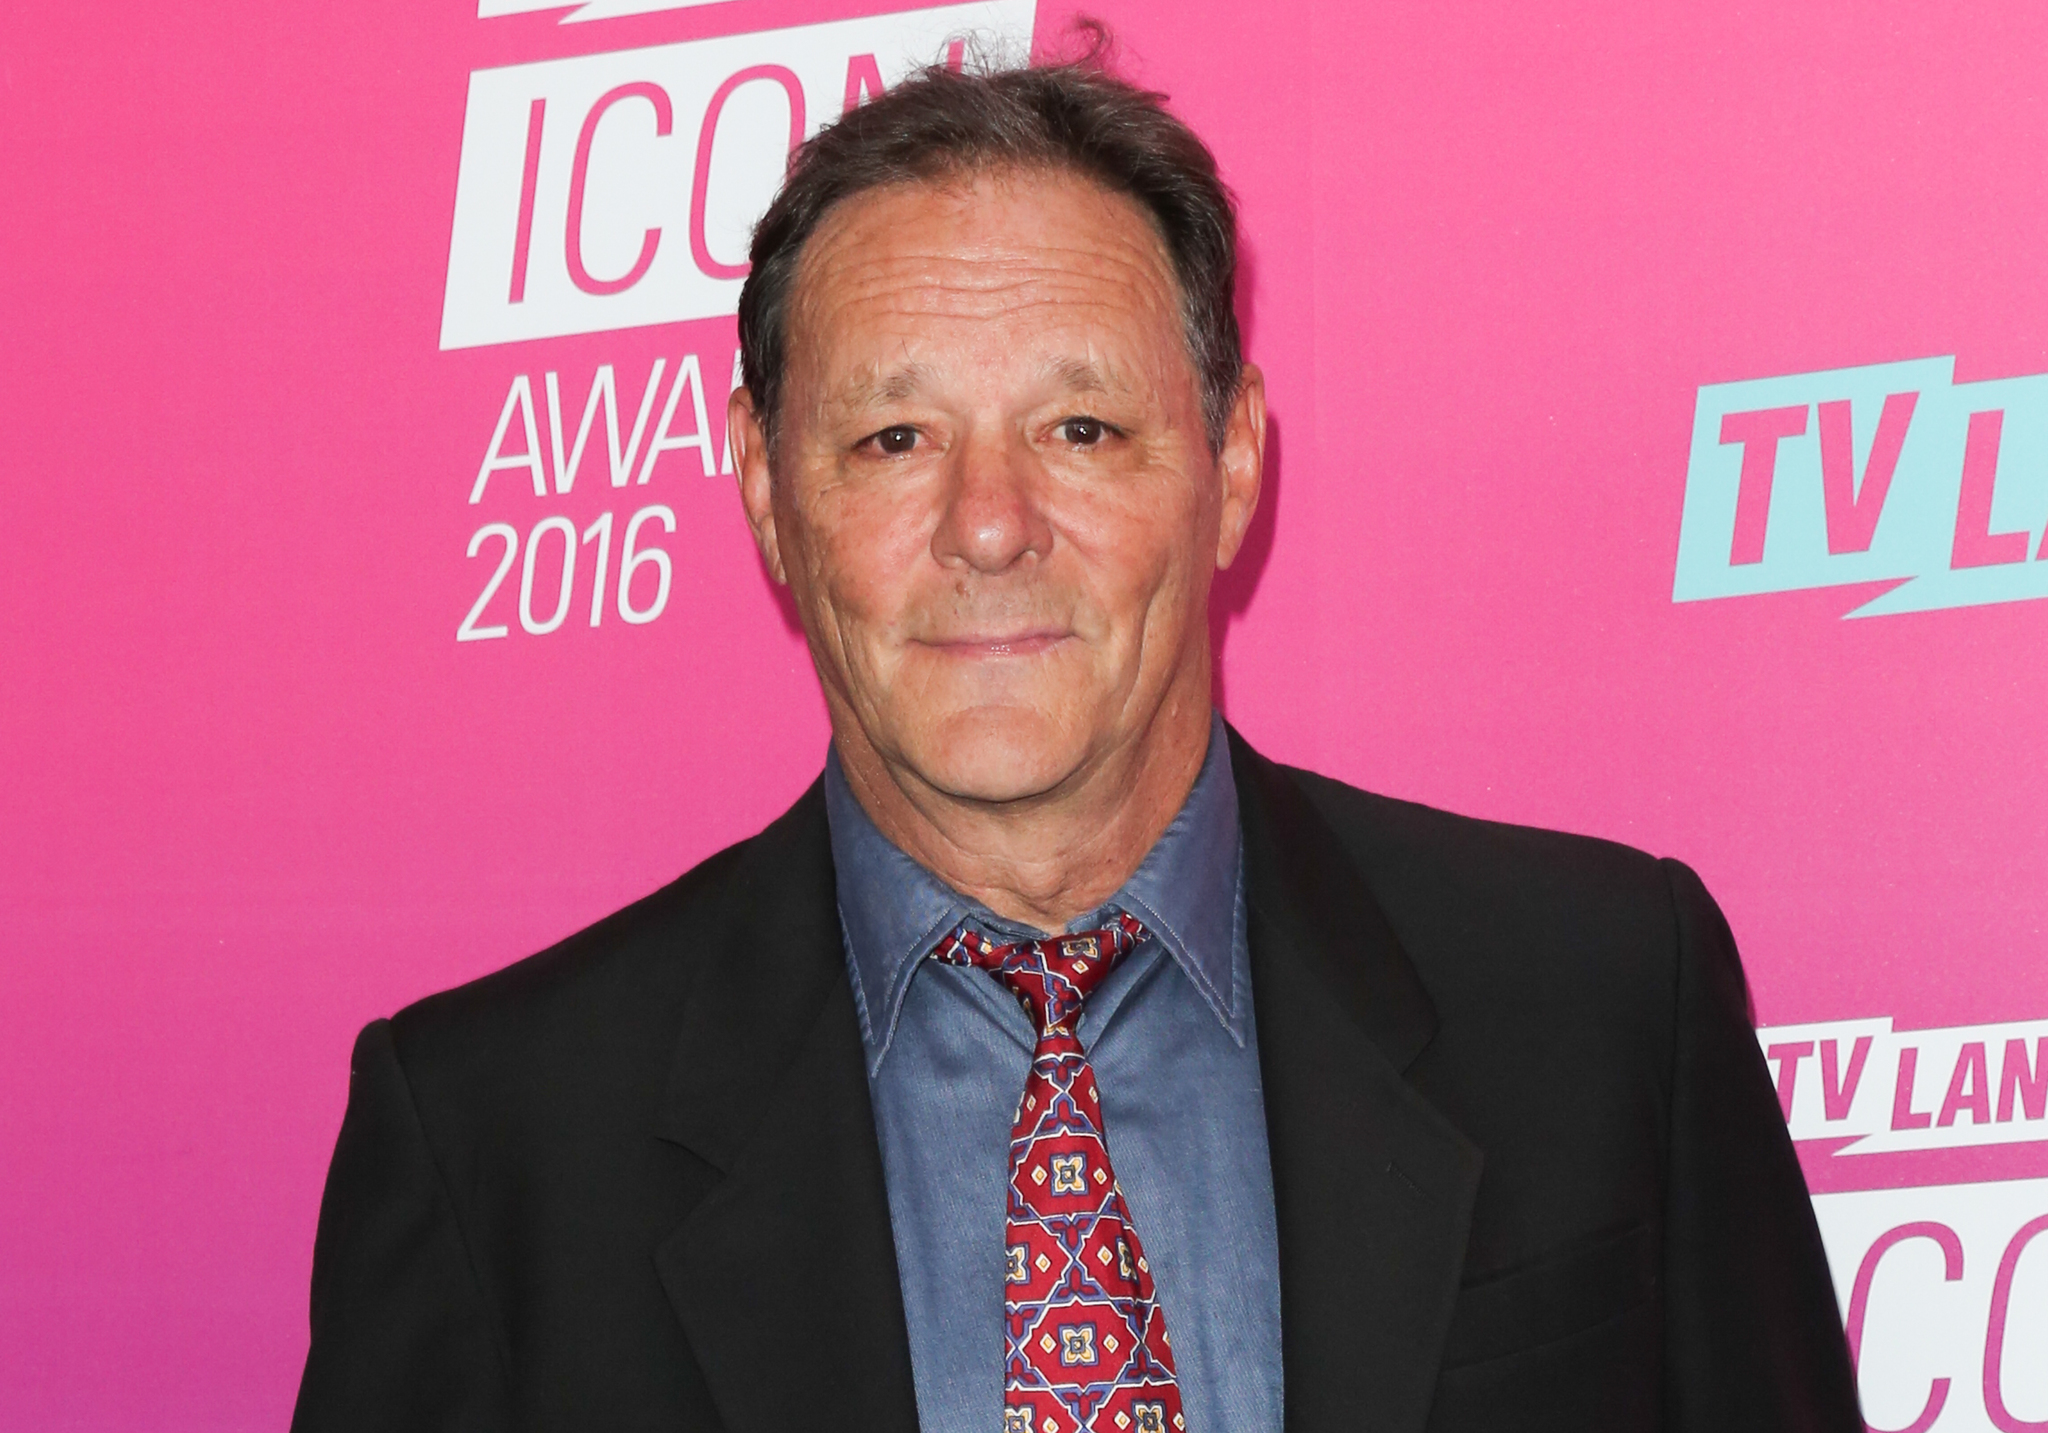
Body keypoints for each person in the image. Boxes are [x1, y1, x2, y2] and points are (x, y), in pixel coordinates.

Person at [291, 49, 1862, 1433]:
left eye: (1082, 429)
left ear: (1230, 463)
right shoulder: (499, 1141)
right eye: (894, 437)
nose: (989, 523)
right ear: (767, 491)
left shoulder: (1600, 1003)